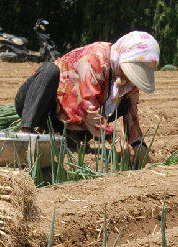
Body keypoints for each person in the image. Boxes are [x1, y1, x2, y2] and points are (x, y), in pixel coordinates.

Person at [15, 31, 159, 163]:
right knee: (49, 70)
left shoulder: (127, 82)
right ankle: (26, 133)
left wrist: (139, 146)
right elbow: (86, 105)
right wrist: (112, 139)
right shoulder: (97, 56)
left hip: (69, 120)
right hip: (43, 107)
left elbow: (131, 115)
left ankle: (73, 137)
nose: (131, 78)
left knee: (123, 102)